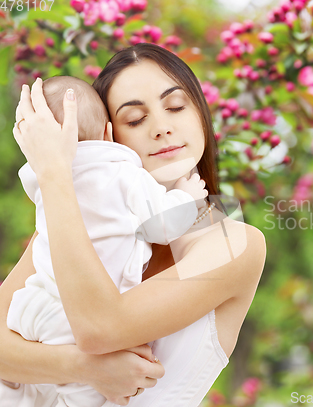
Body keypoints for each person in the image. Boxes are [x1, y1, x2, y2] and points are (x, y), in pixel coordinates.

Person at [1, 43, 266, 406]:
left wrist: (55, 175)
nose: (161, 128)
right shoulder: (67, 220)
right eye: (135, 119)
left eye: (175, 106)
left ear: (201, 115)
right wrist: (82, 369)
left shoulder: (235, 244)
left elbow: (100, 329)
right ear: (107, 138)